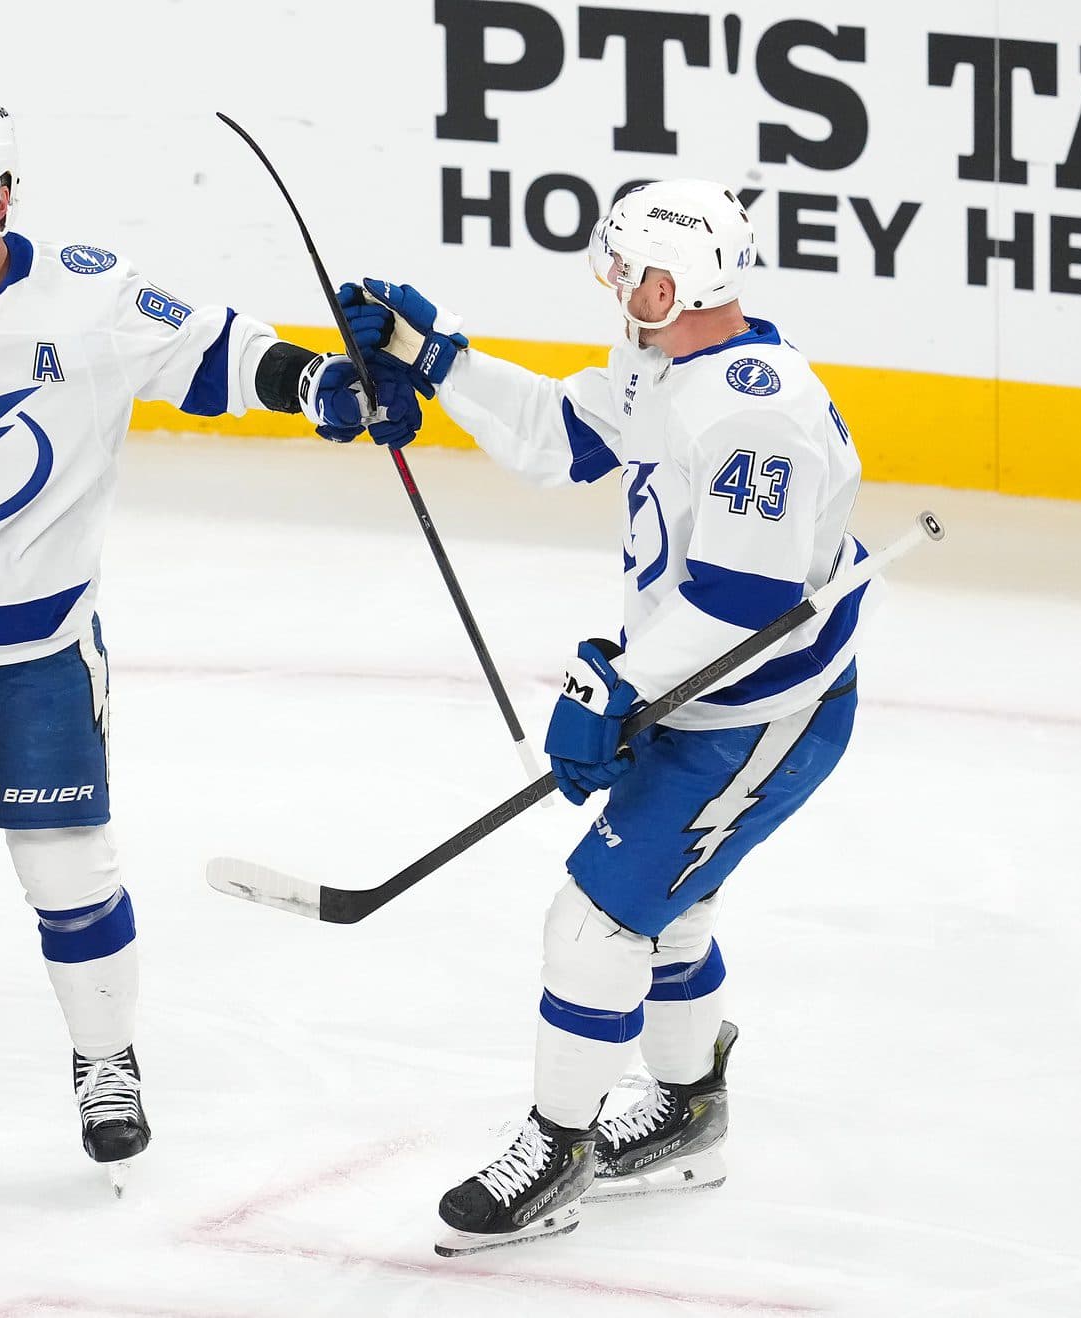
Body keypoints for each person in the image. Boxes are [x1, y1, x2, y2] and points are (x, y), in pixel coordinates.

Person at [0, 96, 422, 1211]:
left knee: (66, 874)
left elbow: (219, 351)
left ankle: (106, 1061)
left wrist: (325, 385)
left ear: (3, 197)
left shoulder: (93, 292)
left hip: (35, 640)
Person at [345, 180, 866, 1255]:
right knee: (662, 911)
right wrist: (436, 359)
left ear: (670, 281)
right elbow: (564, 439)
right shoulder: (667, 358)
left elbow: (745, 602)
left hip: (758, 715)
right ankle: (686, 1115)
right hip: (701, 694)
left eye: (627, 271)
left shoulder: (755, 413)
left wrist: (614, 683)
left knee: (591, 923)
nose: (615, 285)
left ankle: (558, 1147)